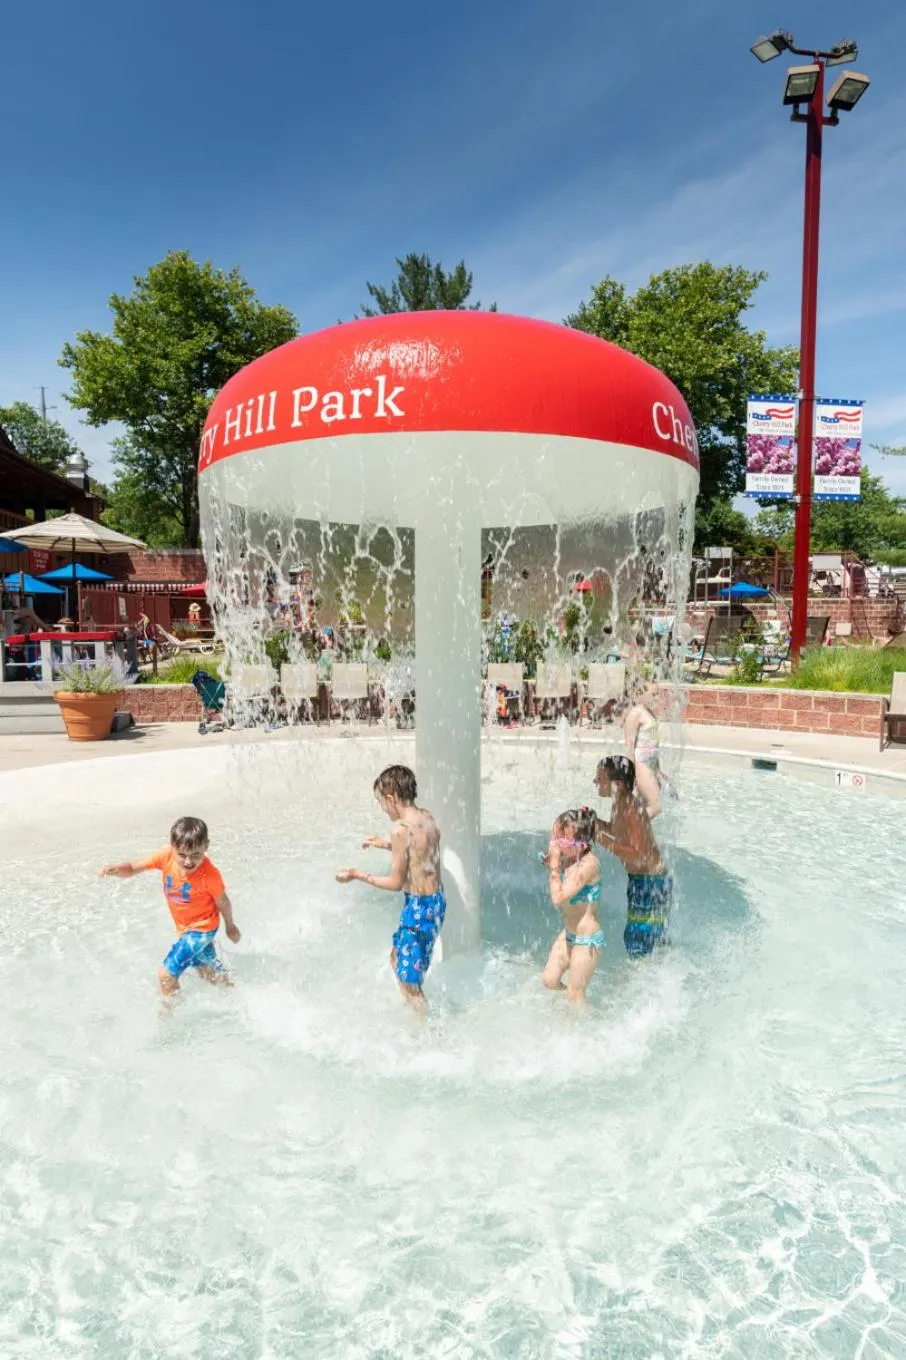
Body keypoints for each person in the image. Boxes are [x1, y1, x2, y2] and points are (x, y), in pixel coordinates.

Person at [336, 764, 444, 1016]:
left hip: (418, 908)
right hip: (436, 903)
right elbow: (420, 852)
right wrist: (386, 845)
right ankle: (417, 1011)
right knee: (396, 958)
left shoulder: (400, 830)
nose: (383, 809)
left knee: (408, 983)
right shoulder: (427, 817)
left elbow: (395, 883)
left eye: (381, 803)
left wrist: (356, 875)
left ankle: (424, 1029)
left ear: (391, 798)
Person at [99, 815, 241, 1000]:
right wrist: (116, 869)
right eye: (182, 855)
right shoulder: (165, 856)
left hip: (202, 928)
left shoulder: (210, 875)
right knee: (207, 973)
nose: (188, 862)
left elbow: (223, 902)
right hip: (185, 929)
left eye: (196, 855)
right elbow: (133, 868)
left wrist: (230, 926)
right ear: (172, 846)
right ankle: (239, 994)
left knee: (166, 976)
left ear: (206, 846)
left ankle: (170, 1018)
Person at [593, 756, 673, 957]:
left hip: (651, 882)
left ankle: (647, 979)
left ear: (617, 784)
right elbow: (618, 831)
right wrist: (596, 822)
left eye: (600, 779)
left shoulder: (632, 809)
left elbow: (639, 854)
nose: (595, 782)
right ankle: (658, 971)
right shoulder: (620, 803)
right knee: (647, 936)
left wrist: (601, 838)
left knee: (638, 940)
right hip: (642, 880)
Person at [541, 806, 603, 1005]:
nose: (555, 844)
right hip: (569, 934)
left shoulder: (588, 865)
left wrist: (554, 865)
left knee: (575, 996)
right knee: (549, 980)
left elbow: (557, 898)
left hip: (587, 939)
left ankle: (585, 1028)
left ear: (581, 845)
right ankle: (573, 1005)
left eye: (561, 840)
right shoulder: (570, 858)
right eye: (554, 837)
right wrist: (555, 862)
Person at [623, 682, 668, 818]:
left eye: (657, 695)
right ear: (641, 694)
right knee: (656, 806)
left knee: (643, 805)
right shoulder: (635, 713)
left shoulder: (650, 713)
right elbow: (629, 745)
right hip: (642, 766)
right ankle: (628, 829)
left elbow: (654, 745)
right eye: (652, 695)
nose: (656, 699)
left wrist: (658, 769)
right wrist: (630, 774)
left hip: (651, 766)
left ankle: (638, 835)